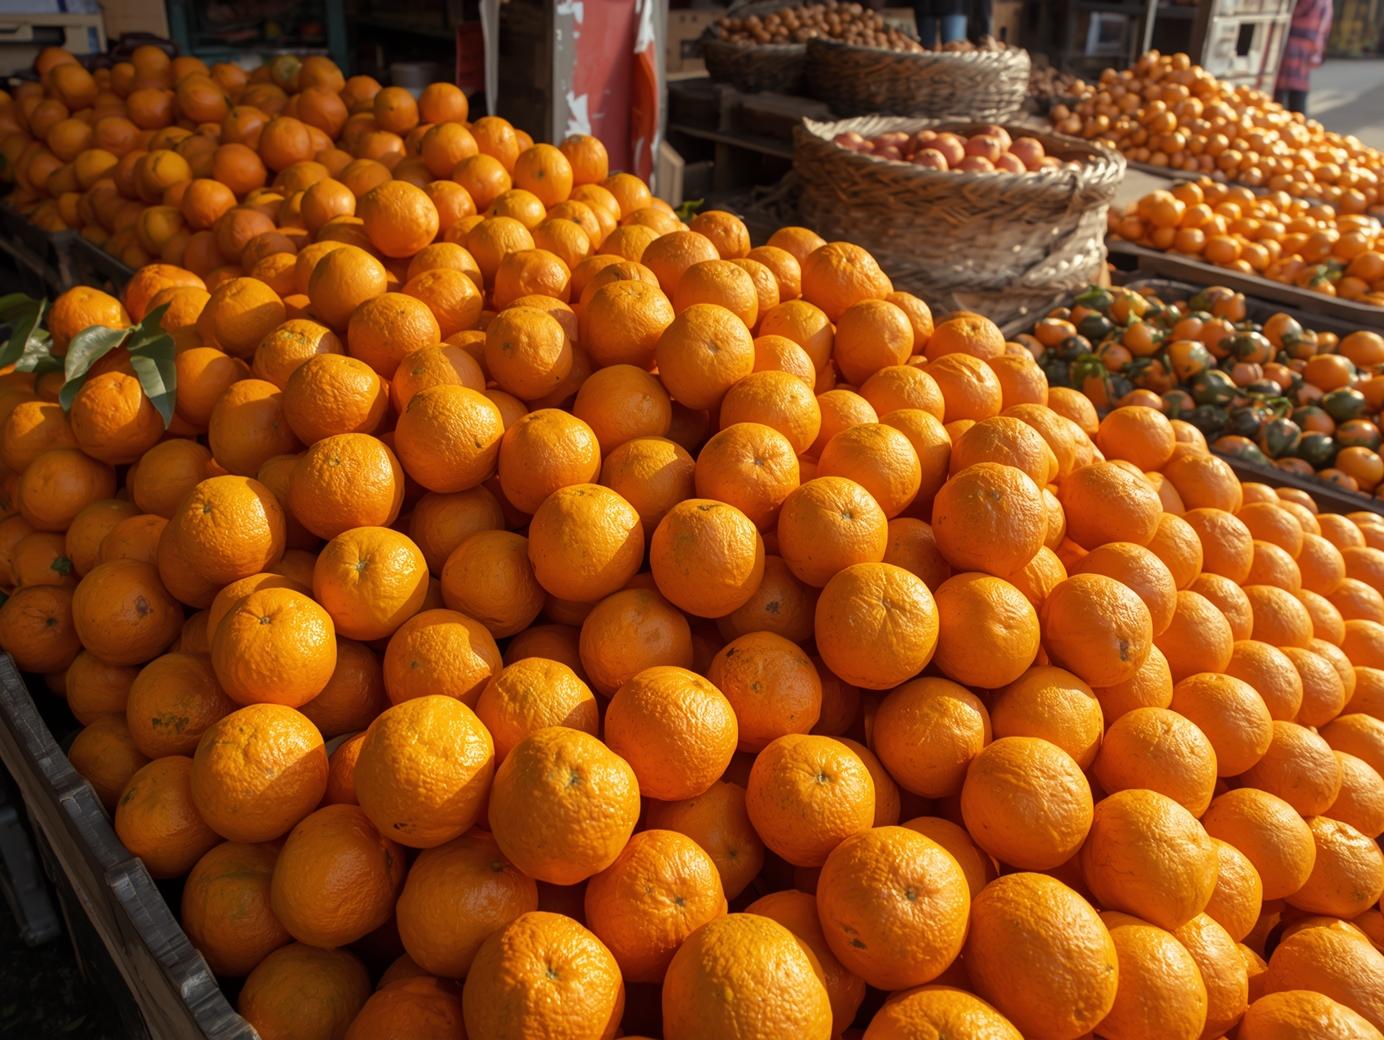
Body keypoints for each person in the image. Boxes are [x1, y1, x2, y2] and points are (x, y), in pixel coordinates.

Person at [1274, 0, 1333, 116]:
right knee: (1297, 86)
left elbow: (1292, 12)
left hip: (1295, 44)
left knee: (1285, 88)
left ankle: (1287, 123)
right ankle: (1293, 124)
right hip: (1309, 46)